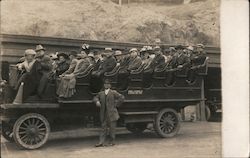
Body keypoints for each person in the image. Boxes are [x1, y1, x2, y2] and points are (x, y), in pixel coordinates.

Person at [93, 79, 124, 147]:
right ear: (104, 85)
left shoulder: (113, 92)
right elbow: (95, 97)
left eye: (108, 84)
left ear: (110, 85)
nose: (106, 85)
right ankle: (101, 142)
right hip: (104, 114)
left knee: (112, 128)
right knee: (103, 128)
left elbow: (121, 97)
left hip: (112, 113)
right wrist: (97, 101)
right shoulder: (101, 93)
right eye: (105, 84)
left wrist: (116, 105)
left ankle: (112, 142)